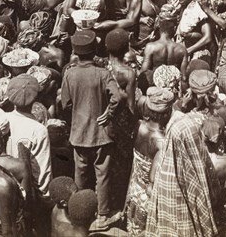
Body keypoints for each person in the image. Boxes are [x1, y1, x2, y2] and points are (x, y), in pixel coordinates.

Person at [60, 30, 122, 230]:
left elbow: (66, 103)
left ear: (76, 52)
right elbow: (118, 97)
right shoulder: (103, 74)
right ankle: (103, 215)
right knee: (102, 175)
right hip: (101, 133)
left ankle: (80, 211)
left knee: (81, 173)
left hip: (79, 133)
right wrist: (108, 113)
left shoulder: (69, 73)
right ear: (94, 50)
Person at [125, 86, 174, 236]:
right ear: (166, 113)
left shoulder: (140, 125)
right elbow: (153, 178)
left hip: (134, 188)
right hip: (147, 196)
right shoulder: (161, 141)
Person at [4, 74, 52, 196]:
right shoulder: (38, 130)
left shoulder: (3, 119)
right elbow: (41, 172)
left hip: (4, 185)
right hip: (27, 190)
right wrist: (46, 199)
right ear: (35, 97)